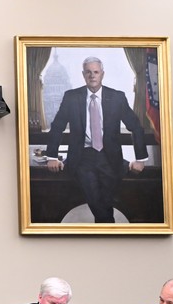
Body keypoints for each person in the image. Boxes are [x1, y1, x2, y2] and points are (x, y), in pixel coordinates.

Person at [45, 56, 148, 223]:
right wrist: (51, 157)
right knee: (95, 197)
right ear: (83, 75)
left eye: (96, 72)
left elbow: (135, 126)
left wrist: (141, 159)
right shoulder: (71, 97)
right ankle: (108, 230)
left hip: (110, 158)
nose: (92, 76)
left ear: (102, 74)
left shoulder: (117, 97)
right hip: (82, 158)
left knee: (105, 200)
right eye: (88, 72)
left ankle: (105, 230)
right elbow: (57, 126)